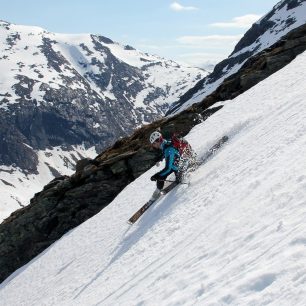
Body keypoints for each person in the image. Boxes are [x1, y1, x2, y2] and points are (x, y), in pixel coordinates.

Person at [148, 130, 184, 203]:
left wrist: (156, 176)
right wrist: (160, 159)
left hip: (180, 168)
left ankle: (157, 192)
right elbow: (166, 154)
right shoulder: (165, 143)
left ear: (157, 141)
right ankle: (158, 190)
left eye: (153, 144)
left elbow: (168, 168)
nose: (153, 146)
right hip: (179, 164)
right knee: (161, 175)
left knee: (161, 175)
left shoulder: (168, 149)